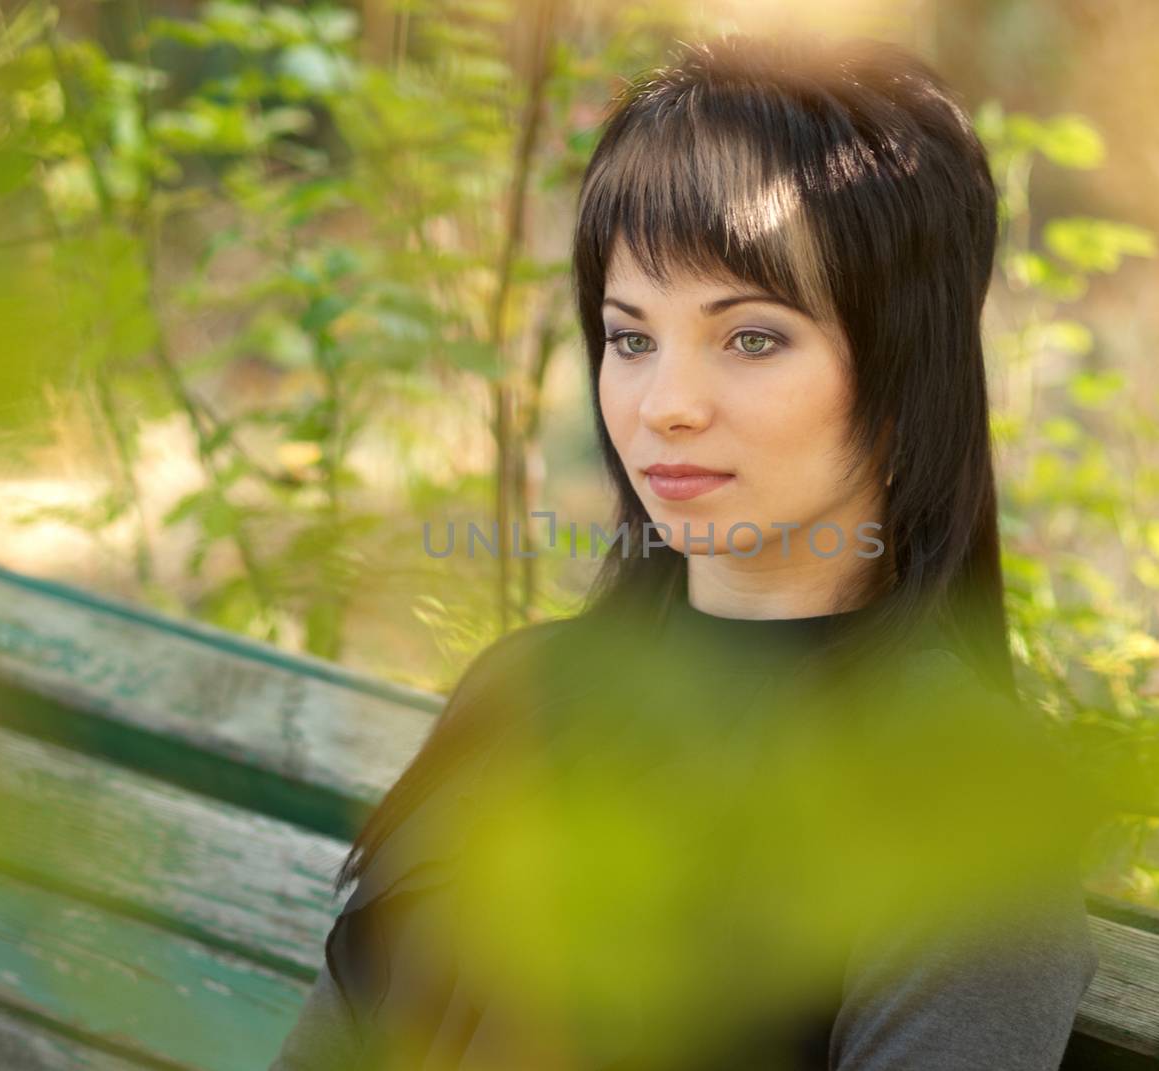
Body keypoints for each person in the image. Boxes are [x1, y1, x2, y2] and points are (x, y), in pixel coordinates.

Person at [269, 31, 1101, 1071]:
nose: (665, 406)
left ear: (903, 366)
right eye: (630, 337)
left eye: (751, 337)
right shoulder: (526, 691)